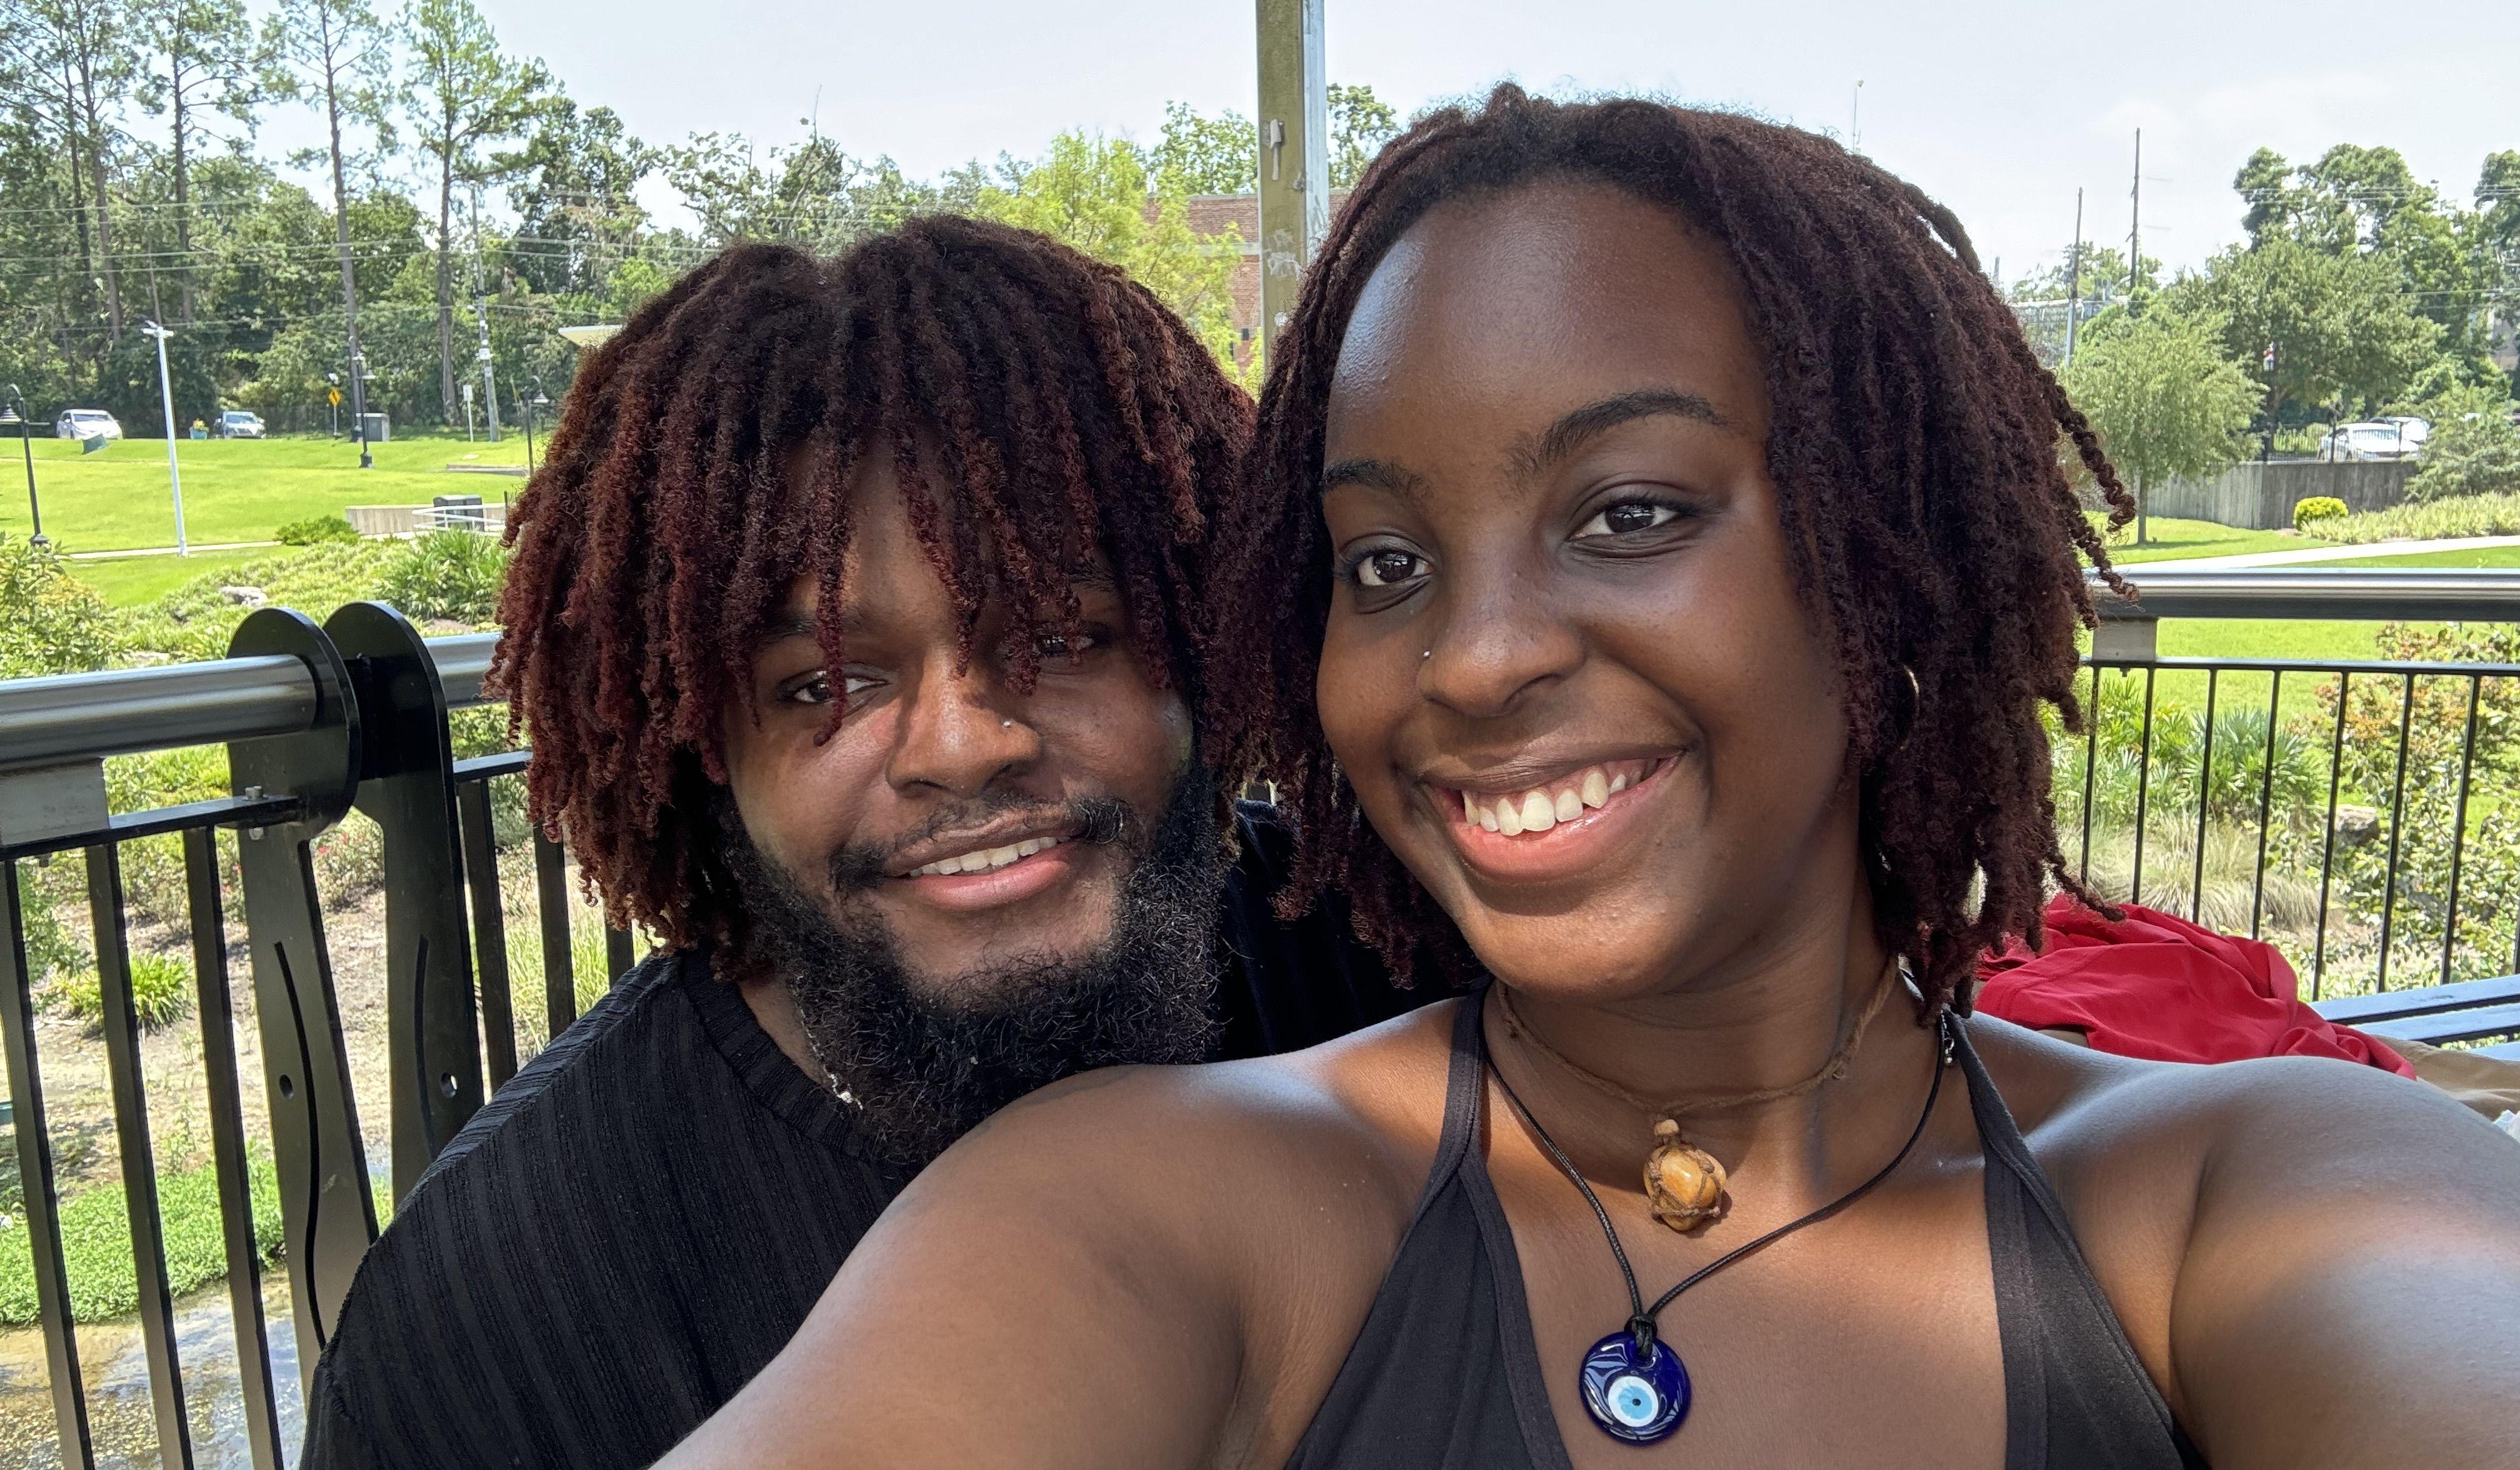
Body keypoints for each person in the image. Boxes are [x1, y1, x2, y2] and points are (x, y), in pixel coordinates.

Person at [662, 89, 2520, 1469]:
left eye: (1629, 514)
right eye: (1387, 561)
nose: (1473, 658)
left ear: (1889, 568)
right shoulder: (1143, 1205)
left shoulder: (2269, 1188)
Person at [298, 219, 1420, 1470]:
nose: (963, 745)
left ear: (1200, 643)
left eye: (1060, 638)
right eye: (825, 684)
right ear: (706, 742)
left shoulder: (1399, 964)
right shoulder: (485, 1328)